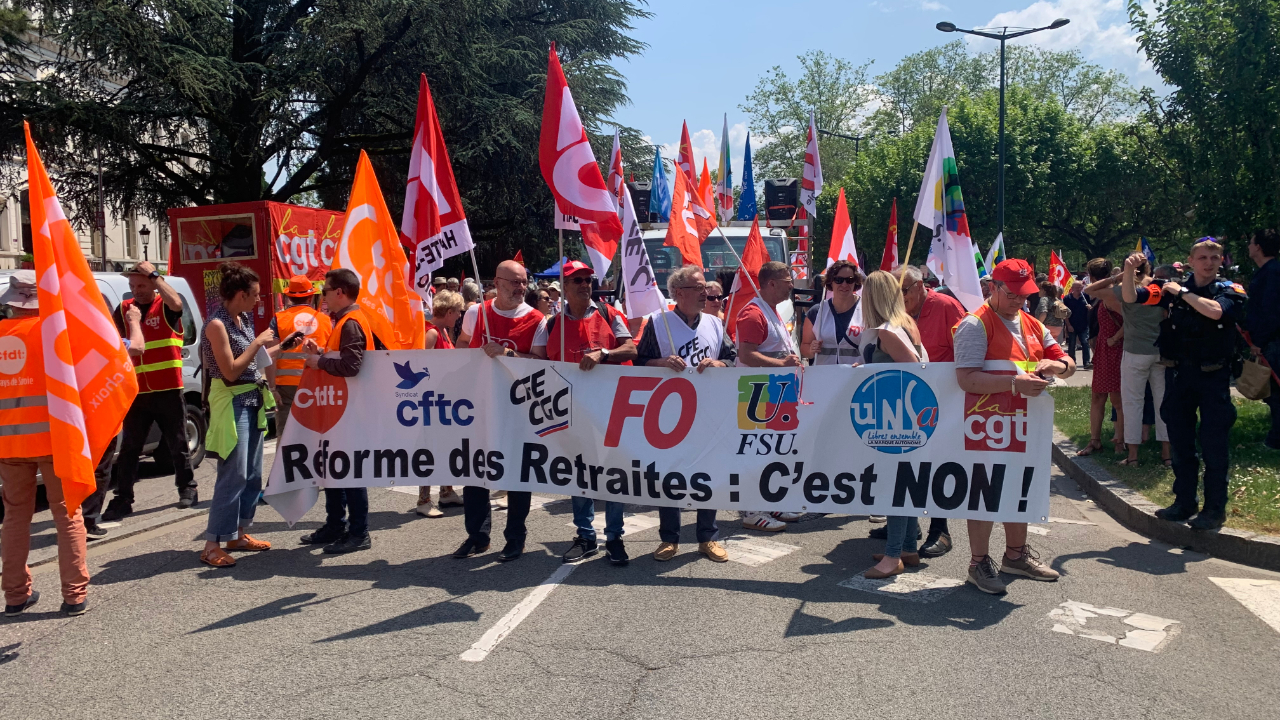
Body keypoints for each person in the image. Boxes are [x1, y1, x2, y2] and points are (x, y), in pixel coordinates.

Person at [953, 259, 1074, 594]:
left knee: (1019, 488)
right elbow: (965, 379)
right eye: (1014, 294)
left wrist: (1059, 365)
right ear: (994, 288)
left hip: (1024, 424)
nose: (1021, 300)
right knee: (985, 494)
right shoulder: (975, 324)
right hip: (986, 424)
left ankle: (1015, 556)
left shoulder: (1033, 323)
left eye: (1026, 294)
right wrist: (1013, 384)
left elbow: (1067, 362)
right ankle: (978, 563)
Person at [531, 261, 637, 565]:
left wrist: (604, 354)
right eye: (577, 279)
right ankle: (585, 536)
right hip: (571, 413)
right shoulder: (549, 324)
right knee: (580, 476)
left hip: (611, 410)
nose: (584, 284)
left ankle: (615, 536)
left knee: (614, 474)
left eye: (588, 279)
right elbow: (533, 363)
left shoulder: (609, 314)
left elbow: (630, 350)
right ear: (564, 286)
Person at [0, 272, 91, 616]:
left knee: (14, 518)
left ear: (11, 303)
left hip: (8, 445)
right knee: (67, 515)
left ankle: (15, 595)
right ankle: (74, 595)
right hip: (54, 441)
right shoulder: (55, 335)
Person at [636, 266, 736, 563]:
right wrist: (661, 362)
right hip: (669, 413)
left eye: (706, 288)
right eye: (699, 288)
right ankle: (669, 538)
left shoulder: (716, 324)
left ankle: (708, 537)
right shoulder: (657, 323)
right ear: (679, 293)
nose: (706, 293)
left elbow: (732, 359)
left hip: (709, 412)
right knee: (669, 475)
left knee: (709, 472)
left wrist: (720, 365)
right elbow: (639, 362)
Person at [1149, 239, 1247, 531]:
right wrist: (1130, 272)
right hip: (1181, 375)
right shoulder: (1174, 291)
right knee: (1180, 443)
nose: (1209, 262)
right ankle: (1184, 502)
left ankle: (1214, 509)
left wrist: (1184, 292)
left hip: (1214, 376)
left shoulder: (1230, 290)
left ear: (1221, 261)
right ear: (1191, 261)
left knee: (1214, 445)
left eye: (1214, 257)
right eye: (1203, 257)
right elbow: (1134, 297)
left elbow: (1216, 312)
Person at [453, 260, 544, 561]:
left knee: (519, 473)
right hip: (478, 405)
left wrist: (508, 353)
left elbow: (542, 363)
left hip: (518, 409)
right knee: (475, 470)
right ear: (497, 281)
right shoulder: (476, 312)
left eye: (524, 282)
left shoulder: (535, 319)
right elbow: (462, 344)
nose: (521, 288)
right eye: (514, 282)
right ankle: (477, 536)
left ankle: (515, 537)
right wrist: (472, 356)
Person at [297, 268, 387, 554]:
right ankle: (337, 524)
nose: (322, 296)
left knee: (348, 472)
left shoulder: (350, 322)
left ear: (340, 292)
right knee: (335, 470)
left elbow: (352, 366)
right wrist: (322, 353)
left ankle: (358, 532)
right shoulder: (346, 320)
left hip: (350, 410)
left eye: (325, 290)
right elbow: (347, 359)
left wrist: (318, 363)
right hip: (342, 408)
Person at [879, 264, 966, 557]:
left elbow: (965, 349)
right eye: (895, 292)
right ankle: (905, 527)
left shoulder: (945, 306)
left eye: (903, 291)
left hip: (943, 397)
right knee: (908, 464)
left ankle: (939, 529)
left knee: (937, 463)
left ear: (919, 286)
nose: (899, 297)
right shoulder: (898, 314)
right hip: (908, 403)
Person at [198, 262, 279, 568]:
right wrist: (258, 341)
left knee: (253, 475)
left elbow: (254, 362)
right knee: (234, 475)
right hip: (232, 404)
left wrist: (281, 347)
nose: (259, 300)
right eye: (255, 295)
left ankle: (239, 534)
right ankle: (211, 545)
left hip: (251, 401)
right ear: (241, 294)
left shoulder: (241, 318)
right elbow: (231, 371)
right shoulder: (216, 325)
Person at [102, 260, 196, 521]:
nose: (136, 290)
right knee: (131, 447)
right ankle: (122, 499)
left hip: (167, 387)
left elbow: (177, 303)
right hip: (137, 391)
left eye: (141, 285)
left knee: (177, 442)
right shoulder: (124, 309)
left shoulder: (164, 305)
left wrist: (155, 276)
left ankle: (187, 488)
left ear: (153, 285)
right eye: (132, 285)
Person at [859, 271, 929, 579]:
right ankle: (907, 547)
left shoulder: (887, 331)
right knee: (904, 483)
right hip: (903, 417)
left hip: (896, 418)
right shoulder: (904, 325)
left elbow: (914, 370)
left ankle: (893, 556)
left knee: (894, 486)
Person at [734, 260, 802, 532]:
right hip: (756, 394)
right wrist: (782, 365)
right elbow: (746, 355)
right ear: (771, 283)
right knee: (755, 450)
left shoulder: (771, 310)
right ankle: (751, 509)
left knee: (772, 448)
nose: (791, 286)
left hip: (773, 391)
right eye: (788, 281)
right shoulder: (752, 313)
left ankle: (767, 500)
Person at [1118, 252, 1172, 467]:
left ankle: (1132, 456)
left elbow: (1092, 290)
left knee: (1132, 403)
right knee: (1163, 403)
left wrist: (1126, 272)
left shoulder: (1127, 290)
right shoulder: (1160, 289)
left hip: (1134, 351)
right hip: (1160, 351)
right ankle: (1167, 454)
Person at [416, 289, 465, 518]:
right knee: (429, 449)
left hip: (444, 400)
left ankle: (446, 491)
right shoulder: (432, 333)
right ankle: (423, 499)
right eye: (457, 312)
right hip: (431, 401)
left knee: (446, 446)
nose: (459, 316)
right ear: (448, 311)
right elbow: (420, 369)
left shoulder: (443, 331)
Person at [268, 275, 332, 438]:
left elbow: (270, 356)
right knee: (316, 433)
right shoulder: (325, 320)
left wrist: (272, 389)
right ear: (311, 297)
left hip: (286, 388)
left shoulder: (279, 319)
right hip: (317, 384)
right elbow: (331, 353)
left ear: (289, 297)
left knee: (287, 436)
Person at [1079, 259, 1126, 457]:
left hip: (1115, 349)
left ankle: (1120, 441)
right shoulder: (1103, 292)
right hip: (1103, 350)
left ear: (1091, 274)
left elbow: (1130, 321)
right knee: (1097, 397)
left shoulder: (1113, 293)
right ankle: (1095, 440)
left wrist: (1114, 338)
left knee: (1117, 399)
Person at [1244, 228, 1280, 450]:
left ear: (1258, 246)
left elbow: (1271, 311)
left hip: (1273, 341)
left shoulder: (1273, 273)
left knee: (1276, 393)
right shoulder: (1267, 271)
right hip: (1269, 340)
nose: (1248, 246)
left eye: (1251, 242)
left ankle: (1276, 440)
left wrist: (1259, 340)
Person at [801, 260, 863, 366]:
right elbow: (804, 347)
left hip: (857, 377)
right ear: (830, 282)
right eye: (838, 280)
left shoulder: (867, 310)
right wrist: (811, 350)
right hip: (825, 377)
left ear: (855, 282)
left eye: (849, 280)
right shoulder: (816, 312)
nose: (844, 284)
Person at [1062, 280, 1091, 368]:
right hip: (1072, 324)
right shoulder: (1067, 298)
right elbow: (1065, 313)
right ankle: (1072, 362)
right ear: (1072, 288)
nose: (1079, 289)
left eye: (1080, 287)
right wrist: (1068, 325)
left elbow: (1091, 309)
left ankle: (1086, 362)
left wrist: (1090, 308)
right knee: (1072, 344)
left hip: (1084, 324)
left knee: (1085, 343)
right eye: (1077, 287)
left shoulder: (1086, 297)